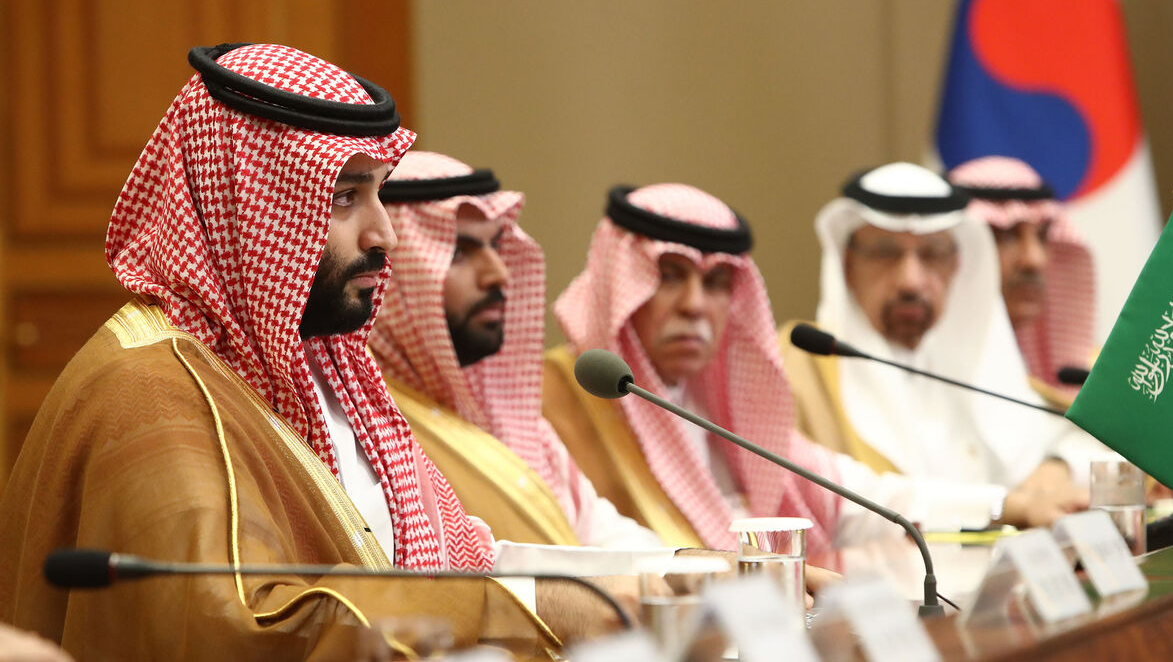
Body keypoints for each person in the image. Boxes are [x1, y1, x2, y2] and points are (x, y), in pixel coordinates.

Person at [0, 44, 561, 661]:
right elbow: (240, 634)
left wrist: (630, 583)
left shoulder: (327, 366)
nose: (384, 234)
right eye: (345, 198)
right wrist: (507, 610)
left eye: (380, 192)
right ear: (249, 208)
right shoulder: (147, 393)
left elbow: (443, 555)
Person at [543, 183, 1044, 565]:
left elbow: (856, 499)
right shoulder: (559, 401)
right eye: (670, 275)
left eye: (717, 282)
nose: (695, 305)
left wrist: (1007, 506)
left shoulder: (715, 403)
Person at [370, 151, 662, 550]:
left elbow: (603, 536)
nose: (499, 272)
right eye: (460, 252)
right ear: (390, 272)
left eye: (495, 246)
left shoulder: (506, 411)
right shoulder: (365, 425)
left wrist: (705, 566)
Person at [782, 162, 1100, 516]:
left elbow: (1089, 442)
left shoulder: (971, 360)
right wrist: (1011, 507)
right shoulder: (798, 370)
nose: (911, 282)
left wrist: (1057, 466)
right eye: (885, 254)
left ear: (956, 266)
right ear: (846, 264)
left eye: (933, 254)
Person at [947, 156, 1096, 409]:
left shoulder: (1097, 376)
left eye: (1042, 236)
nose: (1034, 260)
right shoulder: (928, 378)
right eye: (1006, 236)